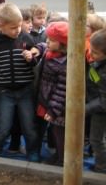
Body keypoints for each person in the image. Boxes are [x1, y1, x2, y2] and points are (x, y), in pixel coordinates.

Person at [0, 3, 39, 162]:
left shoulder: (25, 37)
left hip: (26, 90)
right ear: (1, 26)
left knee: (29, 126)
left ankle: (33, 151)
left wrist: (31, 57)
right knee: (3, 125)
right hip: (5, 92)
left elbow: (35, 58)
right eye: (13, 27)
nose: (17, 30)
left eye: (19, 26)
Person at [29, 21, 69, 166]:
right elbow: (43, 46)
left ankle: (62, 159)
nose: (47, 42)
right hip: (47, 99)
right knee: (53, 130)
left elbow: (62, 90)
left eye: (51, 40)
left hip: (58, 106)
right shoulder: (50, 51)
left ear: (63, 44)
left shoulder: (65, 64)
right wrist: (37, 48)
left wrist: (53, 110)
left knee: (59, 134)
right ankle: (58, 155)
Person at [86, 29, 106, 174]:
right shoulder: (98, 64)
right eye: (90, 49)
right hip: (96, 106)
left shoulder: (104, 72)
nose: (91, 54)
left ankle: (102, 167)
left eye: (95, 52)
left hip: (100, 110)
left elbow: (104, 100)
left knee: (96, 140)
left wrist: (85, 108)